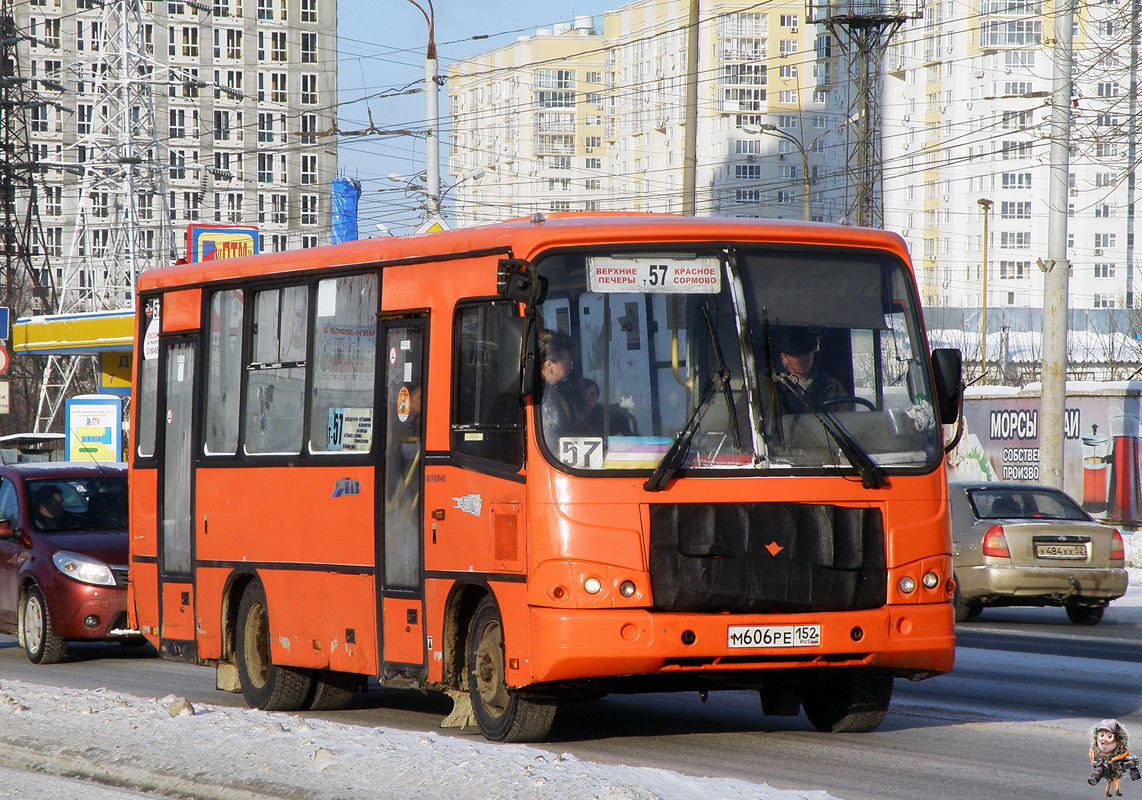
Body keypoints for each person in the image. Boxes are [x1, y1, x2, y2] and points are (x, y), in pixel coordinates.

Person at [772, 326, 846, 413]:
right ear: (784, 357)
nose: (803, 360)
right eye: (797, 355)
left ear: (813, 354)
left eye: (807, 353)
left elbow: (847, 418)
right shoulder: (771, 385)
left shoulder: (831, 385)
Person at [538, 329, 585, 448]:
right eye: (568, 363)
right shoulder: (539, 396)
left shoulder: (562, 390)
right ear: (550, 366)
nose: (571, 368)